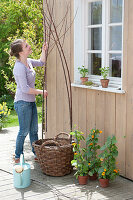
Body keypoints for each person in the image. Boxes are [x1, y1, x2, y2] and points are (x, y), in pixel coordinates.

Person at [10, 39, 48, 163]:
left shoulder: (29, 62)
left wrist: (44, 50)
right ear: (21, 52)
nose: (29, 46)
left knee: (34, 130)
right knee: (24, 131)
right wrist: (41, 92)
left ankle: (36, 154)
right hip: (22, 102)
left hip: (30, 102)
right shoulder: (19, 67)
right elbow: (25, 89)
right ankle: (18, 156)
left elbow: (42, 62)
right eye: (26, 46)